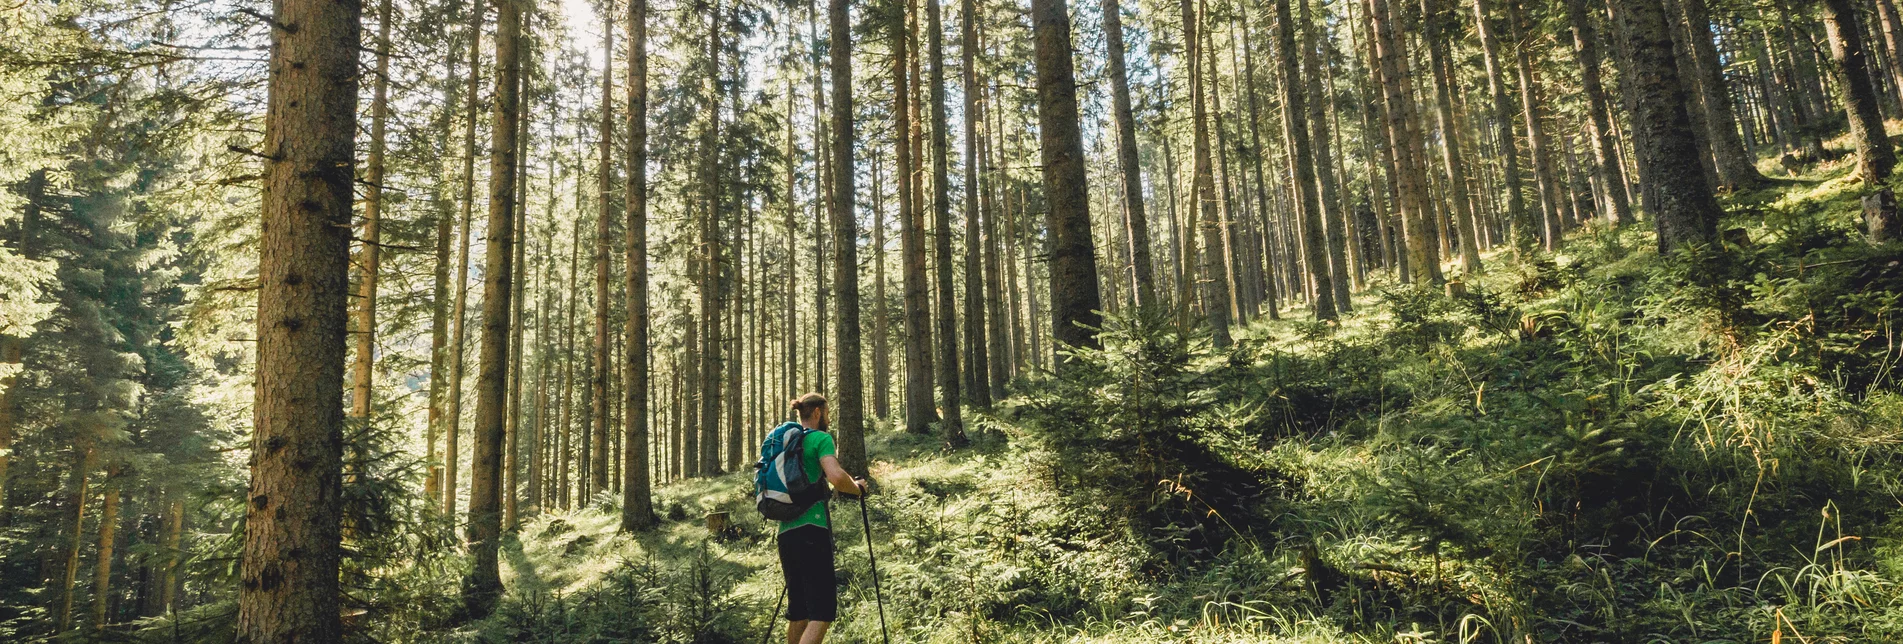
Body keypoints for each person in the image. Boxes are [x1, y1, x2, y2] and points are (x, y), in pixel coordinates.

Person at [776, 393, 865, 644]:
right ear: (817, 412)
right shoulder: (820, 438)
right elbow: (836, 478)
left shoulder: (786, 444)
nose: (828, 418)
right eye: (827, 413)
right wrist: (858, 488)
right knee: (822, 612)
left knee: (799, 612)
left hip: (786, 533)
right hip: (812, 531)